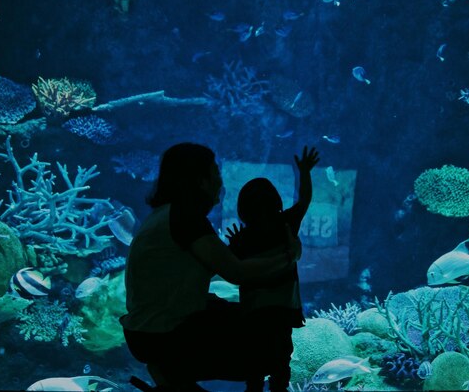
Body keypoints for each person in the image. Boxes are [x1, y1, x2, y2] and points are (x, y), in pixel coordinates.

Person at [119, 143, 300, 392]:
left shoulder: (167, 214)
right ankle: (172, 371)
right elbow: (236, 273)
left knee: (235, 311)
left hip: (148, 332)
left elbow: (197, 266)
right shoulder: (186, 217)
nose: (221, 182)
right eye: (216, 173)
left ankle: (172, 376)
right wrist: (289, 255)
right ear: (200, 180)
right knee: (271, 337)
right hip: (164, 336)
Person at [228, 146, 319, 392]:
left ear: (243, 209)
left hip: (254, 310)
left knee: (254, 364)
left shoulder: (245, 236)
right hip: (283, 307)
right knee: (281, 361)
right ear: (276, 201)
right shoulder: (285, 223)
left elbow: (237, 270)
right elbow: (305, 200)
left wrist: (234, 245)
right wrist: (305, 172)